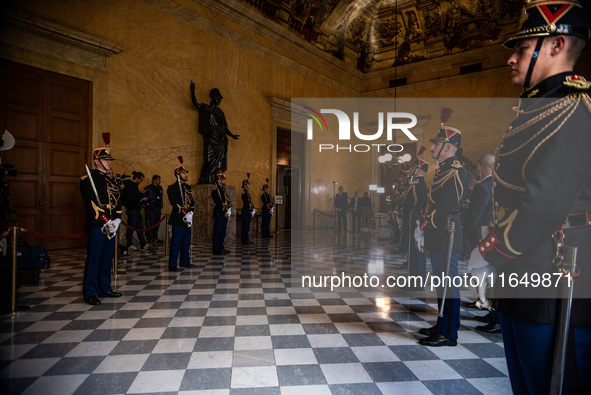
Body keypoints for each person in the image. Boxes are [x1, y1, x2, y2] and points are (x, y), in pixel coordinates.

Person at [472, 1, 591, 392]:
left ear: (556, 45)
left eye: (521, 49)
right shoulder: (537, 108)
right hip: (524, 275)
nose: (511, 59)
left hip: (553, 280)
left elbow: (545, 204)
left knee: (549, 383)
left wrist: (489, 251)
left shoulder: (572, 109)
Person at [415, 125, 468, 346]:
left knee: (448, 283)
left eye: (436, 144)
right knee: (440, 282)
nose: (432, 147)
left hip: (447, 232)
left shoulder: (456, 171)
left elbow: (447, 205)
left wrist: (426, 224)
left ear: (448, 147)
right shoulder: (443, 169)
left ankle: (449, 334)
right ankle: (442, 322)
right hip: (440, 233)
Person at [79, 135, 123, 305]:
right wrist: (105, 221)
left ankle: (104, 287)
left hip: (111, 225)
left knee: (107, 258)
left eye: (109, 159)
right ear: (96, 161)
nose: (108, 162)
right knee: (94, 258)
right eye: (105, 159)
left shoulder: (111, 181)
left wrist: (117, 220)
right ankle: (90, 291)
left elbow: (118, 201)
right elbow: (91, 203)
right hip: (97, 224)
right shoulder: (87, 179)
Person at [463, 154, 499, 333]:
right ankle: (490, 310)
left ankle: (494, 315)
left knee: (481, 272)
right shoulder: (497, 185)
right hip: (494, 235)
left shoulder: (482, 187)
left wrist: (466, 233)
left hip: (481, 234)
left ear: (480, 167)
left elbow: (476, 214)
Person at [190, 81, 240, 184]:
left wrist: (231, 135)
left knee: (219, 162)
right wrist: (192, 91)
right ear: (213, 97)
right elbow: (196, 104)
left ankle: (218, 180)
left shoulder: (220, 112)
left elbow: (224, 127)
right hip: (210, 138)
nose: (219, 101)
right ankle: (203, 178)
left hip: (221, 139)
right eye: (218, 99)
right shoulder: (206, 108)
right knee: (208, 160)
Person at [400, 158, 429, 287]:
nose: (411, 169)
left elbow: (412, 204)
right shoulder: (416, 184)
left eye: (413, 167)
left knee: (417, 251)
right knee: (413, 251)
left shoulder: (418, 184)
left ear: (419, 170)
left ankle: (418, 281)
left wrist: (405, 213)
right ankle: (414, 280)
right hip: (414, 218)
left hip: (415, 219)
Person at [167, 158, 195, 271]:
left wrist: (191, 213)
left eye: (186, 173)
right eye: (183, 173)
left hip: (187, 218)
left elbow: (192, 202)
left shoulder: (188, 187)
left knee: (186, 241)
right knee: (176, 241)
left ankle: (185, 261)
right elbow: (175, 203)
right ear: (178, 175)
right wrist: (185, 213)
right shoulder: (172, 187)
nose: (185, 174)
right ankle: (173, 264)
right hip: (178, 218)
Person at [123, 171, 150, 251]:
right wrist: (140, 199)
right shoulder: (130, 186)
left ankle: (143, 244)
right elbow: (130, 198)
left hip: (136, 209)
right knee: (131, 228)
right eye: (141, 180)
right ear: (137, 178)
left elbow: (136, 196)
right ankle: (129, 244)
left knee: (140, 228)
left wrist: (141, 194)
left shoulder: (134, 186)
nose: (141, 182)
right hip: (132, 210)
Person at [212, 172, 231, 254]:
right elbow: (218, 201)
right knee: (218, 231)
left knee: (223, 232)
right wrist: (225, 208)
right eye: (223, 180)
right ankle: (216, 249)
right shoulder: (215, 190)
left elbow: (226, 200)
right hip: (219, 212)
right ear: (219, 180)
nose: (224, 181)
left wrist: (229, 208)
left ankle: (221, 247)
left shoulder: (223, 190)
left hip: (224, 213)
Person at [144, 175, 163, 244]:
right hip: (151, 208)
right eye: (158, 180)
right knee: (150, 223)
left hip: (158, 208)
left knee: (157, 223)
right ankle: (149, 238)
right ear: (154, 180)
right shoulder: (148, 188)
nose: (160, 181)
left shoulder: (160, 188)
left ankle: (155, 237)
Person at [241, 173, 255, 245]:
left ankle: (246, 239)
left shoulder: (248, 193)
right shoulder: (244, 193)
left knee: (247, 227)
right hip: (246, 212)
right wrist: (251, 208)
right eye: (248, 185)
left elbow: (250, 202)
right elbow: (247, 203)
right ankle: (244, 240)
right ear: (245, 186)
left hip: (248, 212)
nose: (249, 186)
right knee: (245, 227)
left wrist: (253, 208)